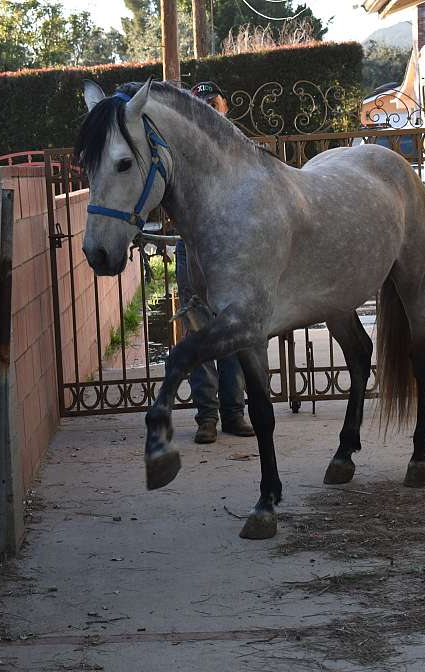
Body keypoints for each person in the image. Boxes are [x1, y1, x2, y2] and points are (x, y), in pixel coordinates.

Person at [174, 81, 255, 444]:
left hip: (234, 248)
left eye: (213, 105)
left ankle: (234, 414)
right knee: (200, 331)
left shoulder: (239, 150)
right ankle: (207, 418)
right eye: (201, 105)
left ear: (224, 111)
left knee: (233, 336)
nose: (208, 111)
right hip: (194, 250)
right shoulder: (182, 153)